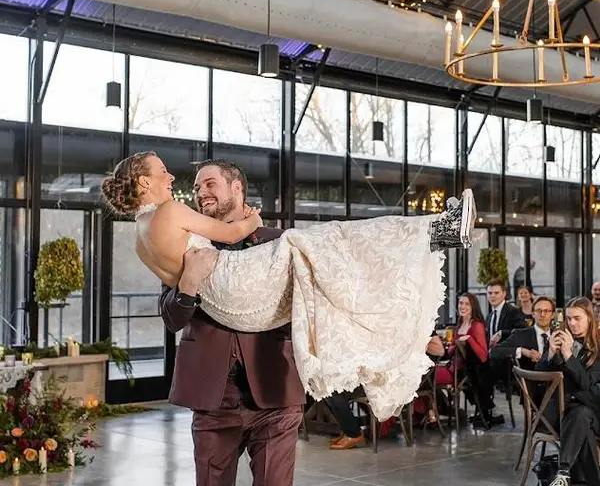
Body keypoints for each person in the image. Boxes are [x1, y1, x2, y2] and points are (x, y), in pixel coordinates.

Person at [101, 152, 476, 421]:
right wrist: (247, 226)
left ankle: (426, 247)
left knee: (327, 259)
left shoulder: (141, 240)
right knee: (333, 238)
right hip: (220, 359)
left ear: (236, 188)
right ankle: (437, 232)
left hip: (238, 319)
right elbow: (226, 241)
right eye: (163, 172)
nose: (176, 180)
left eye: (208, 184)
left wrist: (196, 278)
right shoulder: (172, 213)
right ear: (144, 181)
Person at [158, 159, 307, 486]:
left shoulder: (279, 244)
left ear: (236, 188)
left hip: (276, 397)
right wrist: (189, 284)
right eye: (196, 186)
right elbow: (171, 316)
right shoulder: (188, 245)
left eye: (210, 183)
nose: (201, 192)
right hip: (213, 398)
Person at [540, 298, 600, 486]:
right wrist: (550, 353)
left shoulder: (598, 347)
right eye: (569, 318)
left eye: (577, 318)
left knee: (582, 414)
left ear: (590, 318)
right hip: (564, 414)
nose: (572, 323)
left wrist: (568, 355)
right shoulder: (560, 340)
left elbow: (588, 385)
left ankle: (562, 473)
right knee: (581, 417)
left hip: (594, 413)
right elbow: (539, 380)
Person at [435, 293, 495, 424]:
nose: (463, 306)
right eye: (461, 303)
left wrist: (469, 339)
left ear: (473, 306)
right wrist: (457, 345)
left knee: (432, 375)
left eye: (467, 304)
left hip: (472, 370)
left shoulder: (477, 325)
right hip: (457, 367)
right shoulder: (460, 323)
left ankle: (441, 410)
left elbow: (483, 355)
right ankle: (444, 409)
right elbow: (451, 348)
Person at [490, 295, 555, 373]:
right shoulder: (520, 334)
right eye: (538, 310)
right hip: (528, 379)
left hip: (556, 379)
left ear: (553, 315)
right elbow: (494, 352)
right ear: (533, 314)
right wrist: (522, 351)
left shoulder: (559, 335)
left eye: (546, 311)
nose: (542, 314)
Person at [486, 279, 527, 347]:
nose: (492, 296)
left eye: (496, 293)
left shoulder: (513, 311)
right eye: (490, 293)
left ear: (504, 294)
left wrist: (502, 333)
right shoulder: (489, 316)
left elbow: (523, 331)